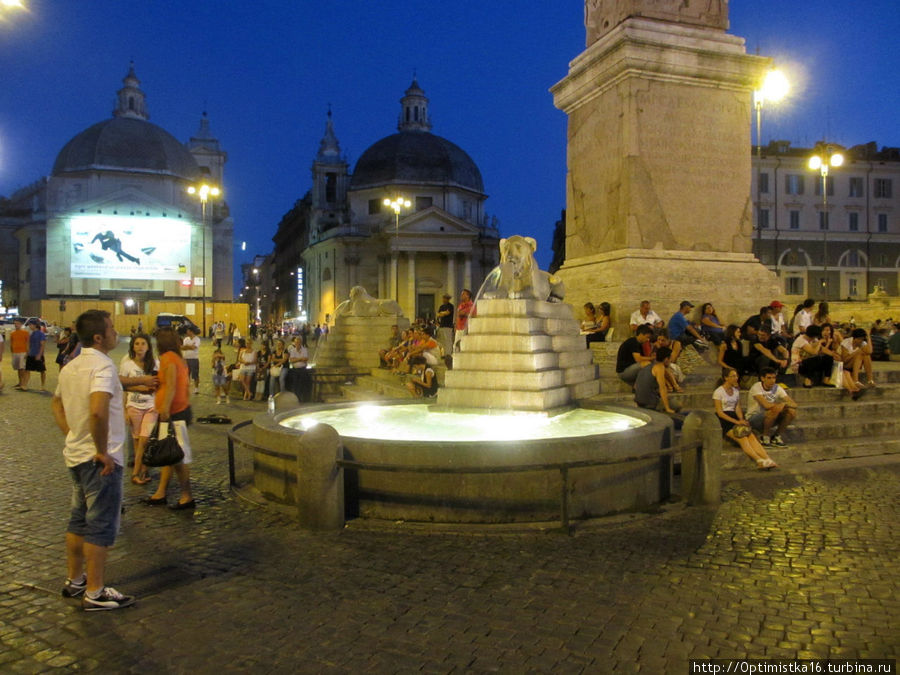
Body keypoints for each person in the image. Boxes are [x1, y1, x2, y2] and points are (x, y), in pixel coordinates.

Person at [50, 309, 135, 610]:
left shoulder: (70, 366)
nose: (115, 332)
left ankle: (75, 581)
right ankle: (95, 592)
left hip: (75, 455)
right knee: (100, 526)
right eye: (111, 329)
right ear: (99, 337)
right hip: (100, 460)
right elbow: (99, 410)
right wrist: (101, 450)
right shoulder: (103, 367)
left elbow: (57, 403)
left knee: (78, 521)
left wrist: (72, 434)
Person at [146, 328, 194, 510]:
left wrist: (164, 409)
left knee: (178, 457)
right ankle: (161, 492)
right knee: (170, 452)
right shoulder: (177, 357)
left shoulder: (168, 358)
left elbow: (172, 385)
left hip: (174, 412)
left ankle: (187, 496)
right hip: (178, 410)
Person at [712, 368, 777, 470]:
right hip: (724, 419)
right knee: (742, 438)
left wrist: (742, 419)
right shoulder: (718, 392)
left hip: (734, 416)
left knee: (751, 436)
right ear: (726, 378)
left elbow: (737, 407)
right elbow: (720, 412)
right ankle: (759, 460)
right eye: (733, 376)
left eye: (736, 376)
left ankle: (767, 458)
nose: (735, 378)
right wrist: (737, 422)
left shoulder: (736, 391)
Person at [118, 333, 159, 485]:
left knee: (144, 439)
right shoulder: (127, 364)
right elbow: (123, 386)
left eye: (143, 343)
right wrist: (124, 410)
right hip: (133, 406)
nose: (140, 347)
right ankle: (143, 470)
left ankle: (135, 473)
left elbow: (158, 384)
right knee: (136, 441)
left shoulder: (155, 364)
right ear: (132, 346)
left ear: (148, 347)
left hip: (151, 407)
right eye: (137, 344)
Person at [746, 368, 797, 448]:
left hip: (771, 417)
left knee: (791, 411)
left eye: (774, 378)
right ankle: (765, 437)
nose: (772, 381)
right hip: (754, 418)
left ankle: (776, 437)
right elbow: (766, 405)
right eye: (769, 378)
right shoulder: (756, 387)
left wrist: (783, 404)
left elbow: (794, 404)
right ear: (763, 378)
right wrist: (780, 405)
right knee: (775, 409)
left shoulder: (777, 388)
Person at [634, 346, 679, 416]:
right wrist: (667, 408)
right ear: (666, 359)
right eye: (670, 359)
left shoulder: (648, 366)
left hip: (639, 401)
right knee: (676, 404)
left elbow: (636, 386)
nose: (671, 361)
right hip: (650, 403)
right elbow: (662, 389)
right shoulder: (659, 367)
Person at [10, 318, 29, 390]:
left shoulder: (25, 333)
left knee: (22, 368)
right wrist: (12, 352)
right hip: (15, 352)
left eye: (17, 324)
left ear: (21, 324)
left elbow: (28, 343)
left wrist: (27, 352)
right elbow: (11, 343)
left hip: (23, 352)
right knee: (18, 368)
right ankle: (20, 382)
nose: (16, 325)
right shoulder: (12, 333)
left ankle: (24, 384)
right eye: (15, 324)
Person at [181, 326, 201, 395]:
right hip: (186, 359)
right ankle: (186, 388)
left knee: (195, 375)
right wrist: (189, 347)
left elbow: (193, 347)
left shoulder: (197, 339)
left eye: (188, 331)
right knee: (186, 375)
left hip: (194, 359)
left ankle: (196, 388)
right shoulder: (186, 339)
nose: (186, 332)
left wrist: (187, 347)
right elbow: (182, 348)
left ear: (191, 331)